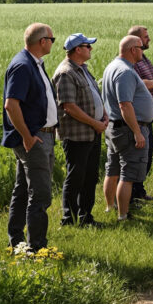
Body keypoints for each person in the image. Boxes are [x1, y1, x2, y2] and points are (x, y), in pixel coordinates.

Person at [3, 23, 58, 251]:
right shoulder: (23, 66)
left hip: (41, 135)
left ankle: (17, 242)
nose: (53, 43)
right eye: (52, 39)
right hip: (34, 138)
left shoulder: (34, 63)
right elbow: (11, 104)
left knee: (23, 190)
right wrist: (27, 136)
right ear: (42, 41)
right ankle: (37, 248)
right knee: (41, 193)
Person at [52, 33, 107, 228]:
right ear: (77, 49)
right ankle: (70, 219)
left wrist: (104, 115)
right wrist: (94, 122)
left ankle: (86, 216)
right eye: (88, 46)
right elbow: (69, 106)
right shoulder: (66, 72)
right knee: (76, 176)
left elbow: (93, 96)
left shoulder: (82, 69)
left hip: (93, 131)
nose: (91, 49)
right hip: (78, 135)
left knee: (90, 176)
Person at [101, 36, 153, 222]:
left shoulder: (112, 66)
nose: (143, 51)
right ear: (133, 49)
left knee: (113, 169)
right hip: (127, 129)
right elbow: (125, 104)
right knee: (128, 174)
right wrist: (137, 132)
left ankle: (110, 207)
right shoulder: (125, 71)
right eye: (141, 48)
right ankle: (123, 215)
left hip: (114, 127)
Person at [128, 25, 153, 202]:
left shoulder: (144, 58)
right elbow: (140, 83)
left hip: (148, 118)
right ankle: (134, 195)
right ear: (136, 40)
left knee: (146, 156)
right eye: (145, 37)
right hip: (136, 119)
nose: (148, 39)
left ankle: (139, 191)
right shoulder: (132, 61)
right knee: (138, 157)